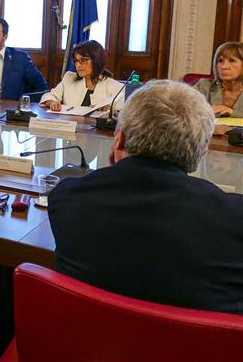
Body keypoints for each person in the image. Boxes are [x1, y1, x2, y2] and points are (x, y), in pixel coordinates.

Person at [49, 80, 243, 315]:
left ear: (119, 140)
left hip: (85, 336)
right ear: (200, 154)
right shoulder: (234, 219)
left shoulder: (67, 197)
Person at [40, 40, 124, 113]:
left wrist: (111, 108)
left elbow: (125, 109)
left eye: (83, 60)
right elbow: (49, 96)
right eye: (76, 61)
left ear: (96, 60)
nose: (78, 65)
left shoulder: (114, 86)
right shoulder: (69, 77)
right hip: (71, 124)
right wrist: (53, 102)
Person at [194, 41, 243, 118]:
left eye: (232, 61)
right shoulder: (204, 85)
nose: (224, 67)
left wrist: (232, 112)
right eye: (220, 61)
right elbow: (186, 111)